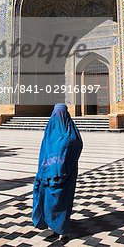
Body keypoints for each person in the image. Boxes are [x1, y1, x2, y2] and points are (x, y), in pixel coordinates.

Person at [32, 103, 83, 240]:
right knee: (47, 198)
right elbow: (44, 150)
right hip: (47, 173)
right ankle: (53, 224)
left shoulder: (71, 134)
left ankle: (63, 228)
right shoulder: (50, 130)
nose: (57, 117)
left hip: (65, 174)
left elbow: (76, 145)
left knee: (62, 200)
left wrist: (62, 166)